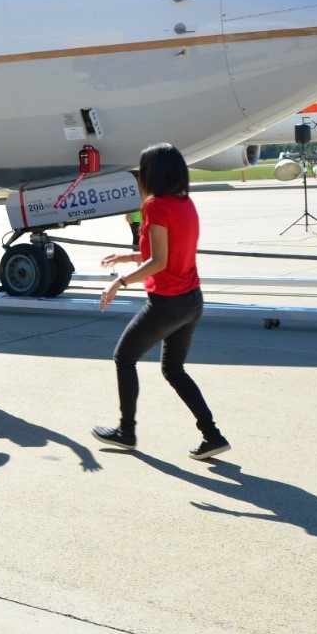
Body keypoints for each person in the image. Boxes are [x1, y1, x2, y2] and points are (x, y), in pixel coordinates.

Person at [92, 143, 230, 460]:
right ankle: (212, 435)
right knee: (174, 369)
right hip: (192, 300)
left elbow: (159, 262)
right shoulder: (185, 203)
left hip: (168, 304)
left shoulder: (156, 207)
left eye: (143, 170)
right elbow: (167, 250)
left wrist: (121, 281)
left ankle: (126, 432)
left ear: (153, 174)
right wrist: (128, 256)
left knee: (124, 357)